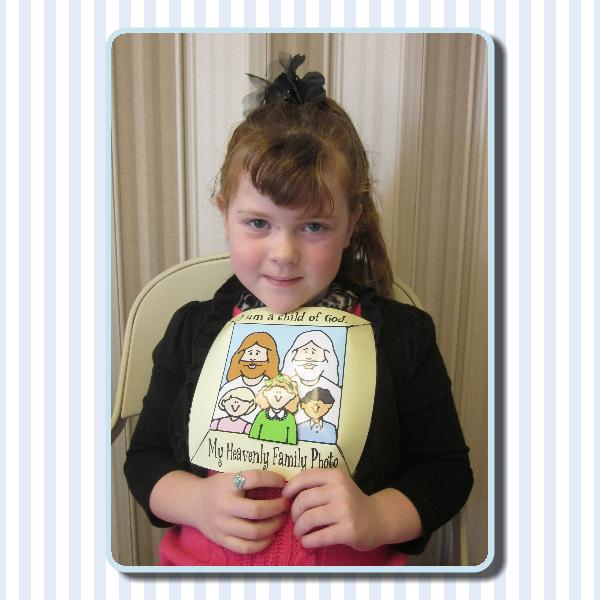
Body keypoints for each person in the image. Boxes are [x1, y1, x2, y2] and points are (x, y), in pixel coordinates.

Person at [124, 54, 473, 566]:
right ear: (224, 213)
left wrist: (377, 516)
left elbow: (445, 471)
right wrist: (195, 502)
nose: (284, 253)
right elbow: (145, 458)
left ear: (351, 223)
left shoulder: (403, 337)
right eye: (258, 223)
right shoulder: (191, 330)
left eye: (313, 226)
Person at [248, 374, 300, 444]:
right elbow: (253, 436)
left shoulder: (290, 418)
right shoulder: (261, 415)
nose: (278, 393)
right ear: (265, 393)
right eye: (273, 390)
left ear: (291, 396)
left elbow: (292, 440)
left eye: (284, 391)